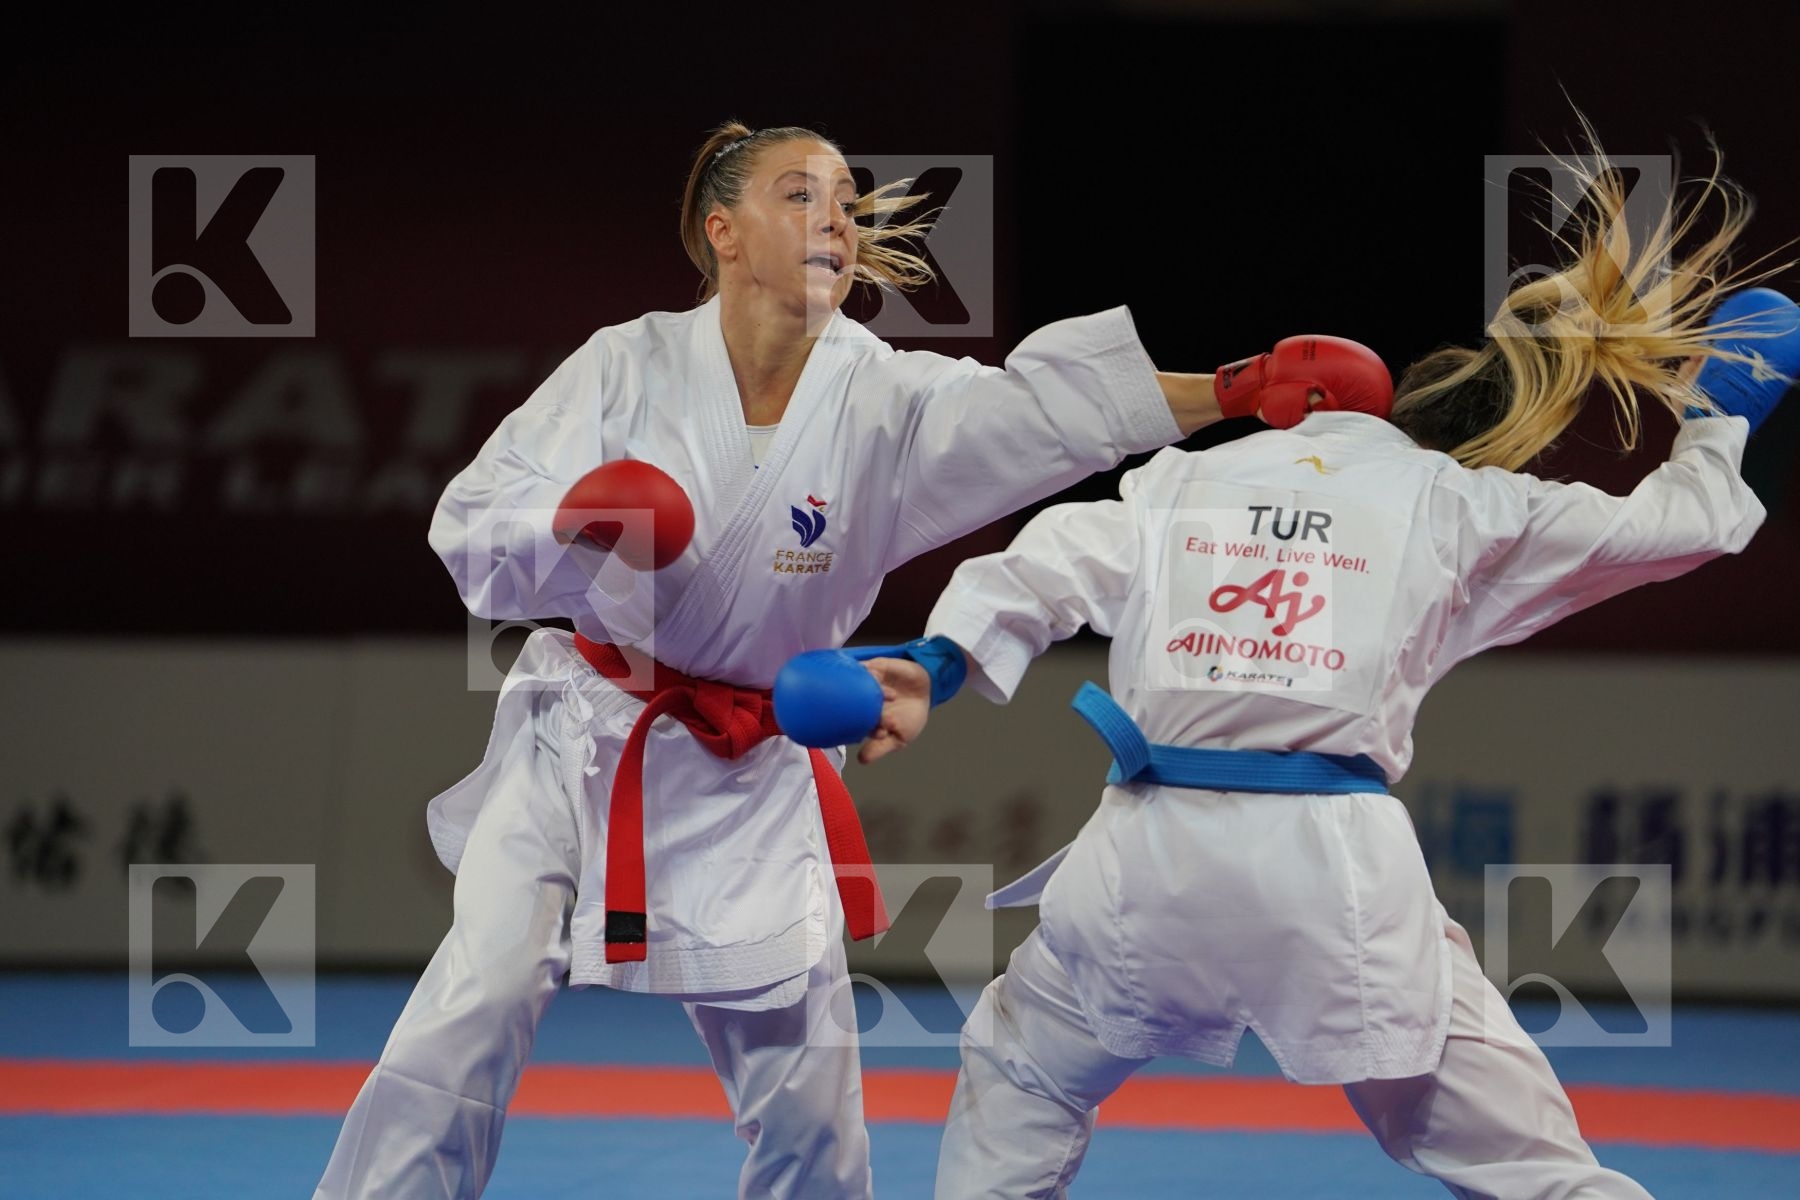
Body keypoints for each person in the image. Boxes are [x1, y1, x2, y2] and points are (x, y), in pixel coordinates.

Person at [312, 118, 1386, 1200]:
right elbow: (474, 525)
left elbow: (1042, 413)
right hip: (585, 742)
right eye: (799, 195)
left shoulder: (886, 401)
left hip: (755, 769)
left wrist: (1237, 390)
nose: (833, 219)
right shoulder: (624, 367)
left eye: (844, 202)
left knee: (810, 1106)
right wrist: (577, 517)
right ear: (723, 233)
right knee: (472, 1005)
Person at [849, 128, 1798, 1198]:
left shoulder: (1179, 482)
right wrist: (1718, 418)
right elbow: (1682, 530)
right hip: (1335, 874)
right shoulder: (1461, 502)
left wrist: (935, 663)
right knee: (1527, 1162)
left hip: (1146, 864)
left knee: (1021, 1072)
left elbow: (1040, 565)